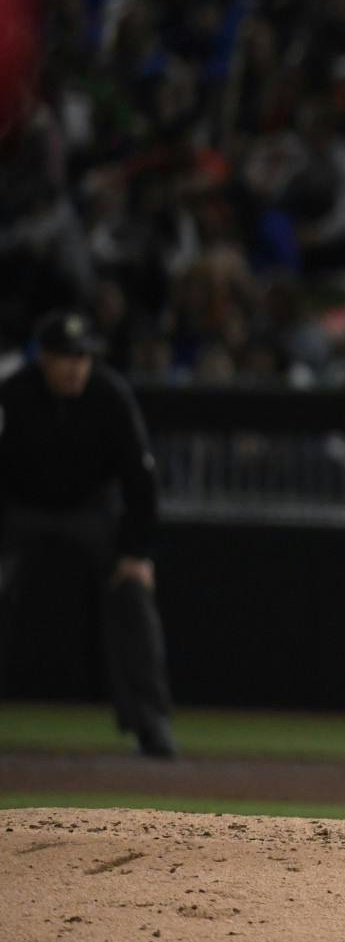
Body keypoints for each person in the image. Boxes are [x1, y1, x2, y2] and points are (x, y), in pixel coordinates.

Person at [0, 309, 176, 758]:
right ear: (43, 358)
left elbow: (141, 479)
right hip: (19, 511)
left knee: (132, 587)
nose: (76, 366)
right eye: (65, 356)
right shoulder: (13, 395)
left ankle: (150, 722)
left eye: (82, 356)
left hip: (90, 513)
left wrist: (136, 551)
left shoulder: (109, 394)